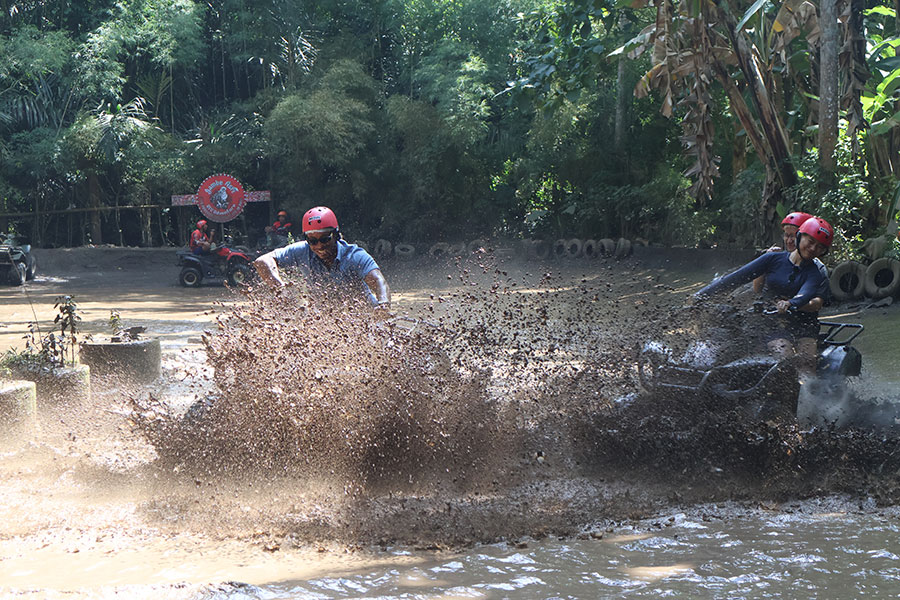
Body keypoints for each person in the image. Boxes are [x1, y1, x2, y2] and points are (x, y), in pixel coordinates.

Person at [694, 216, 834, 373]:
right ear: (800, 237)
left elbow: (807, 293)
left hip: (803, 324)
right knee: (783, 352)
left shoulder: (816, 272)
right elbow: (736, 278)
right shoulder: (772, 258)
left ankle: (807, 393)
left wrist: (790, 304)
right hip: (771, 320)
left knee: (806, 363)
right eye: (811, 242)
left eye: (820, 247)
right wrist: (700, 296)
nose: (813, 248)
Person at [254, 206, 391, 314]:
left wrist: (383, 306)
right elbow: (262, 261)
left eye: (325, 239)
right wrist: (280, 289)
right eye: (312, 241)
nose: (319, 246)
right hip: (326, 320)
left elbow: (379, 281)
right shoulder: (302, 251)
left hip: (364, 316)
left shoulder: (354, 256)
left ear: (336, 235)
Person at [752, 211, 828, 313]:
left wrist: (791, 304)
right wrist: (764, 264)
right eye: (787, 235)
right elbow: (757, 289)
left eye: (793, 236)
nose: (789, 241)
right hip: (768, 316)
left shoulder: (818, 269)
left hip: (798, 321)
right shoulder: (775, 259)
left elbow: (817, 303)